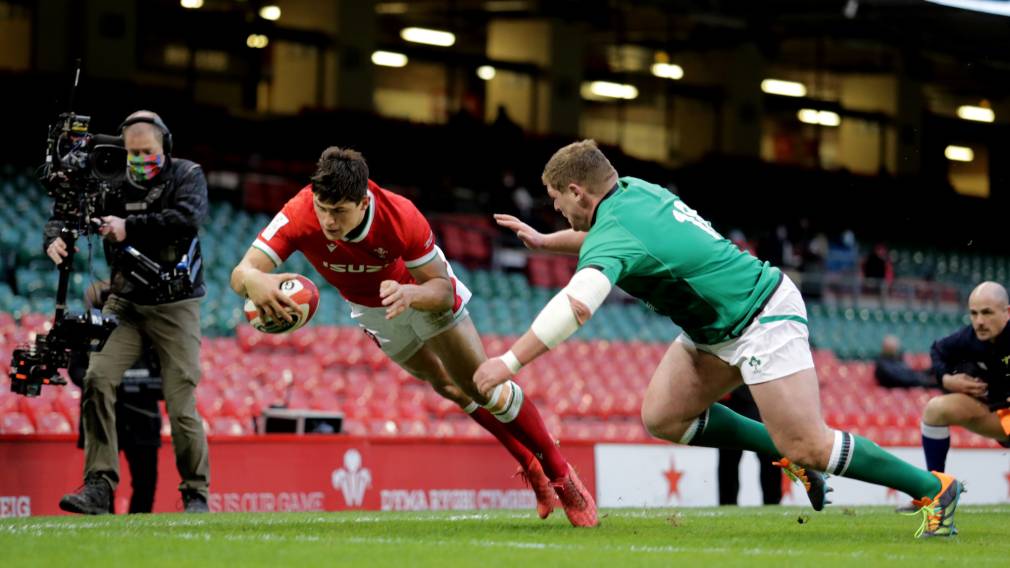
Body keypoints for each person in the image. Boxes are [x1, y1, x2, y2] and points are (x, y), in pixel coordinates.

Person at [484, 139, 962, 538]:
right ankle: (781, 452)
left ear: (577, 191)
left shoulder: (614, 231)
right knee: (664, 416)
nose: (555, 208)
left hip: (760, 316)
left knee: (811, 446)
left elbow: (576, 306)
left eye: (556, 199)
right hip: (716, 326)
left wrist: (508, 362)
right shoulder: (634, 192)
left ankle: (931, 487)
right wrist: (548, 241)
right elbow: (610, 238)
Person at [231, 146, 597, 527]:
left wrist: (410, 295)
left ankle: (561, 474)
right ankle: (530, 465)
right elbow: (240, 274)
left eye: (339, 212)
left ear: (363, 200)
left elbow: (441, 287)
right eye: (323, 209)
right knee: (446, 387)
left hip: (420, 293)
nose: (329, 221)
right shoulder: (300, 211)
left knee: (481, 386)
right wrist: (255, 279)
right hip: (373, 311)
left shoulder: (399, 216)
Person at [48, 110, 210, 514]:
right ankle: (99, 485)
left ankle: (195, 492)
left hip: (177, 304)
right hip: (126, 301)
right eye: (132, 152)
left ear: (165, 147)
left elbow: (188, 219)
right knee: (98, 380)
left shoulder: (187, 175)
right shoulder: (112, 180)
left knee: (180, 403)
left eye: (148, 151)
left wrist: (129, 226)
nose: (140, 159)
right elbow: (65, 212)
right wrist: (53, 239)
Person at [67, 281, 163, 514]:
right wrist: (107, 381)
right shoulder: (88, 328)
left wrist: (139, 383)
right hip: (106, 414)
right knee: (102, 479)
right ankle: (104, 520)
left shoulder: (147, 327)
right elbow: (77, 371)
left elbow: (163, 376)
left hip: (142, 417)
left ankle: (140, 528)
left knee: (145, 481)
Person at [920, 281, 1010, 474]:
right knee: (936, 409)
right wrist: (946, 380)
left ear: (1007, 313)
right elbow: (937, 351)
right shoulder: (968, 338)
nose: (979, 321)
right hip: (997, 415)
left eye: (987, 313)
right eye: (973, 313)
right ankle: (937, 490)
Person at [717, 386, 782, 506]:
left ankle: (773, 502)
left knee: (768, 453)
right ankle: (727, 504)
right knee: (728, 457)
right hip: (732, 399)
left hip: (761, 397)